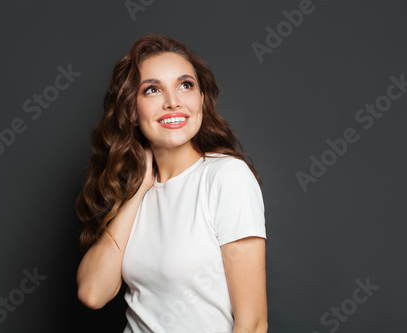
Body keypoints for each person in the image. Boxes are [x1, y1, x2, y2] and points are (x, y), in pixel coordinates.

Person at [75, 33, 268, 333]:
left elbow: (253, 324)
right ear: (132, 110)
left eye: (185, 85)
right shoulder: (135, 190)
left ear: (201, 99)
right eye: (152, 90)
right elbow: (92, 293)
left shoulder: (226, 177)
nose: (173, 102)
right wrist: (137, 194)